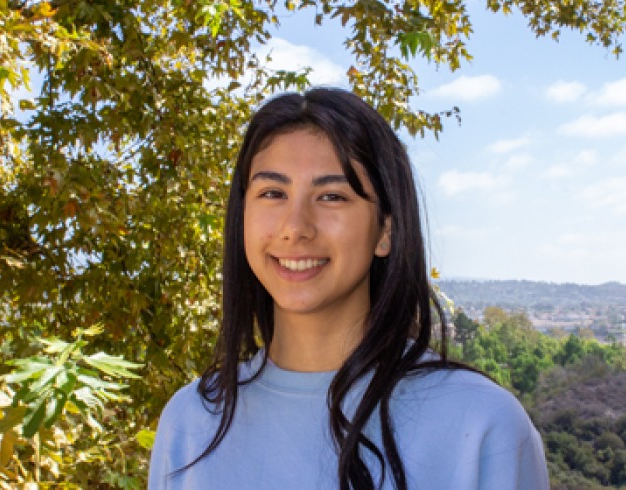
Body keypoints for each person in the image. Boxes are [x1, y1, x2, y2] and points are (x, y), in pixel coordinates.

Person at [148, 88, 549, 489]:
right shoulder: (192, 421)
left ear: (386, 231)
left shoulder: (482, 427)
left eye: (332, 196)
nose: (295, 227)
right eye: (273, 193)